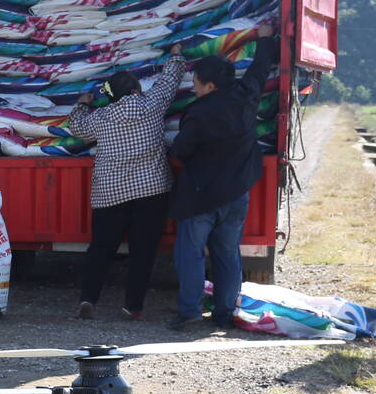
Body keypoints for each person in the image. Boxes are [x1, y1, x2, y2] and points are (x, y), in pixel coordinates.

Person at [167, 25, 279, 330]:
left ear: (210, 85)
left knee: (190, 254)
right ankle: (224, 312)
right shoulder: (247, 95)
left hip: (202, 195)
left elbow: (182, 150)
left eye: (197, 82)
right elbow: (259, 68)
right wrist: (266, 39)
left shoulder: (199, 113)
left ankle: (189, 310)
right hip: (237, 193)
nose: (194, 87)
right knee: (228, 253)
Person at [67, 47, 186, 320]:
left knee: (100, 249)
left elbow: (77, 126)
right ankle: (133, 306)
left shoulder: (102, 118)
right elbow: (170, 80)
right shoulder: (152, 104)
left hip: (109, 193)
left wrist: (83, 103)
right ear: (135, 90)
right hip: (151, 191)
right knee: (143, 251)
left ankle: (88, 299)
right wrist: (176, 55)